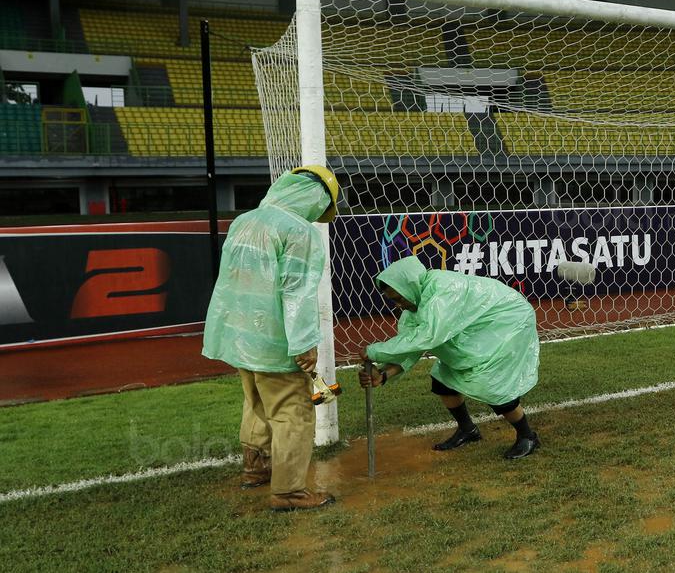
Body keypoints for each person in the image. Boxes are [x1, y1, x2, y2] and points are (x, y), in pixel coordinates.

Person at [202, 165, 340, 511]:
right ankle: (289, 491)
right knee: (292, 412)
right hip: (276, 341)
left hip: (241, 337)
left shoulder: (244, 221)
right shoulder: (299, 232)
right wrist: (304, 342)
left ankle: (255, 467)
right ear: (315, 198)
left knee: (256, 402)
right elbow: (296, 292)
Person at [358, 255, 541, 459]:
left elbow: (429, 335)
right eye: (394, 300)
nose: (398, 305)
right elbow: (411, 348)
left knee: (490, 382)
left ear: (410, 285)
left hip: (508, 320)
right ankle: (468, 430)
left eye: (399, 298)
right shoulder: (414, 307)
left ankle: (528, 436)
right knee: (443, 378)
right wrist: (383, 374)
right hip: (480, 326)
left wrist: (374, 351)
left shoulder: (443, 289)